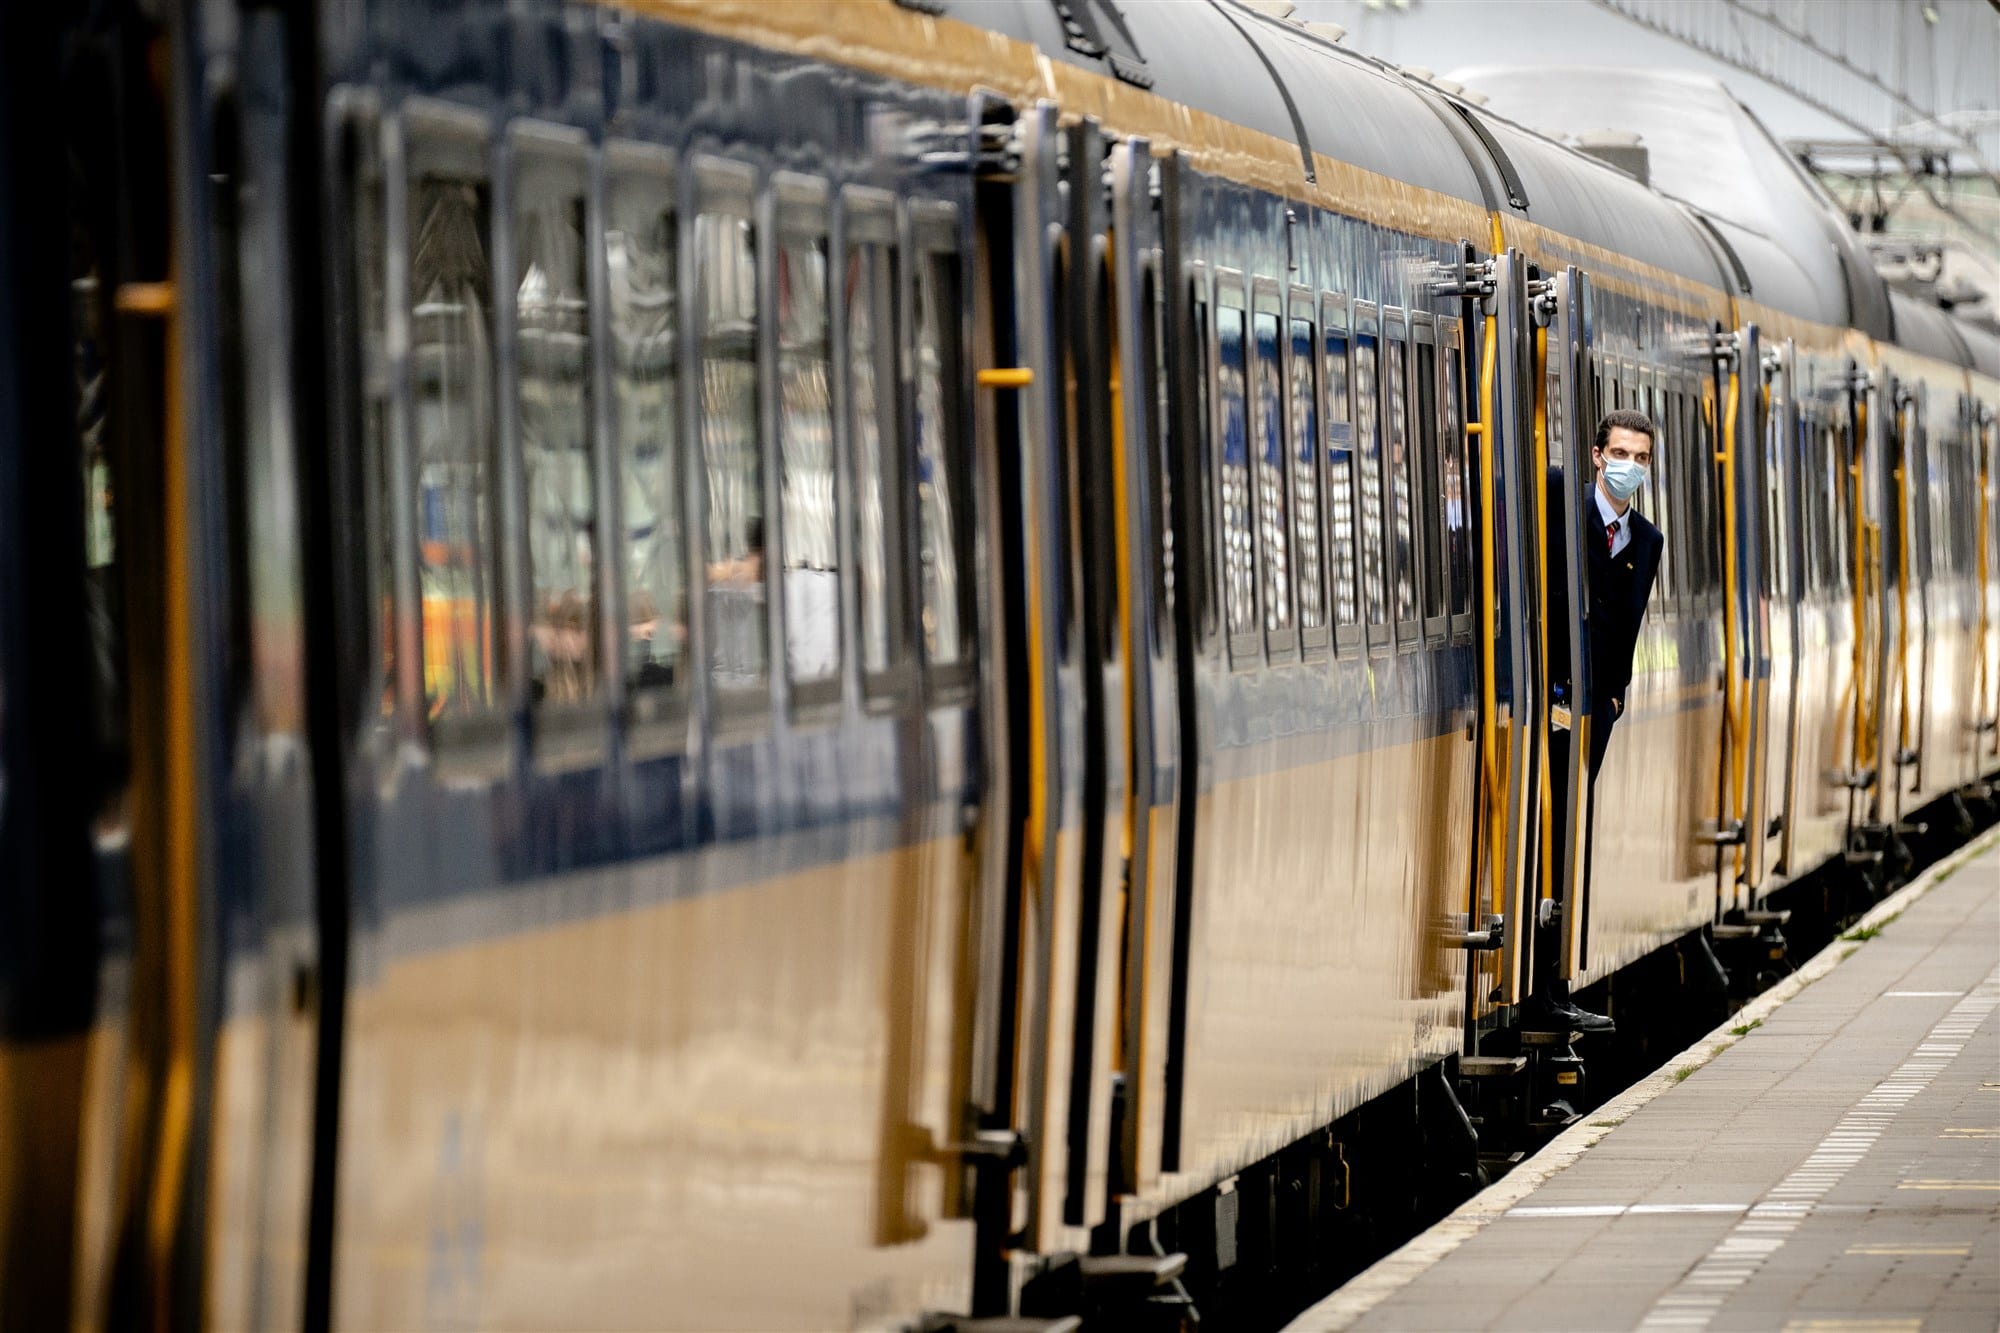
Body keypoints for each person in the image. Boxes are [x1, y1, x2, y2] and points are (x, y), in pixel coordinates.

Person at [1529, 408, 1664, 1034]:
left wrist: (1614, 696)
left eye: (1641, 459)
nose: (1630, 467)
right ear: (1595, 454)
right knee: (1541, 837)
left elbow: (1627, 627)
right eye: (1621, 454)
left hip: (1594, 711)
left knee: (1568, 838)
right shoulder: (1556, 499)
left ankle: (1553, 987)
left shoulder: (1647, 539)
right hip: (1541, 703)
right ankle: (1539, 990)